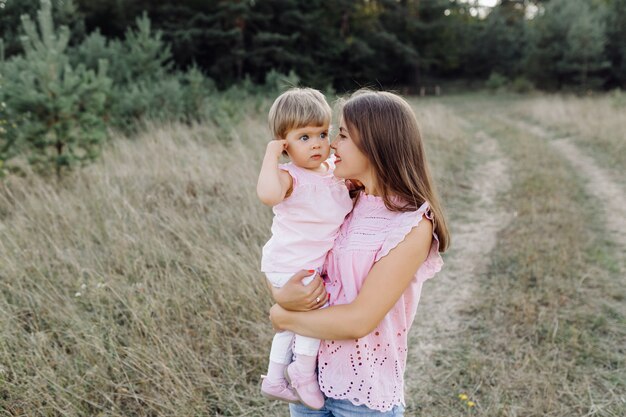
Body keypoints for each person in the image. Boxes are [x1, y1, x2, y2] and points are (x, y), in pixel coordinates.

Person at [269, 89, 449, 416]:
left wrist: (282, 316)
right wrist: (281, 294)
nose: (332, 145)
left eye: (343, 135)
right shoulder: (340, 198)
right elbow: (289, 257)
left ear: (377, 145)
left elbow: (359, 321)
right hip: (307, 376)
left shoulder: (411, 224)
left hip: (363, 393)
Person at [257, 88, 354, 409]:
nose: (316, 143)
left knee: (295, 321)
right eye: (303, 137)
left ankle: (273, 378)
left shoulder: (330, 172)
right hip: (290, 264)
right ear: (284, 144)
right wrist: (271, 157)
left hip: (308, 263)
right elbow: (268, 196)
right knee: (312, 313)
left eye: (321, 134)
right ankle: (302, 371)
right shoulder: (289, 176)